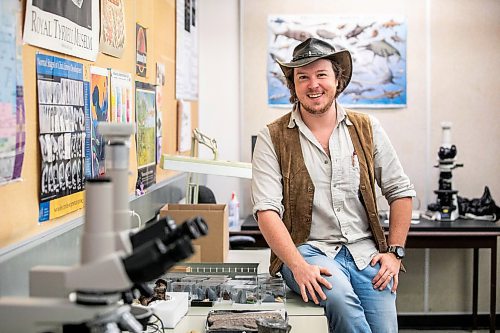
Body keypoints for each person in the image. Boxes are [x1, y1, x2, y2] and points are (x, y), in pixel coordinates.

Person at [251, 37, 416, 333]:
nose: (313, 84)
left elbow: (401, 192)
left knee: (385, 327)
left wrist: (394, 253)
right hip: (306, 250)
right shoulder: (272, 137)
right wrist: (298, 266)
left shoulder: (367, 128)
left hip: (365, 252)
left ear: (338, 80)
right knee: (340, 300)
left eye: (321, 75)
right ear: (293, 85)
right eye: (303, 77)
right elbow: (266, 211)